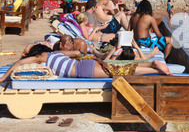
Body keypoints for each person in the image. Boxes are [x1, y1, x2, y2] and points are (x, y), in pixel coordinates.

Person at [0, 44, 172, 85]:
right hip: (86, 63)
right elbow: (76, 53)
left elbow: (18, 63)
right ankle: (152, 66)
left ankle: (155, 67)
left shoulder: (39, 58)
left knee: (120, 72)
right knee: (119, 69)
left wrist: (3, 79)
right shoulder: (54, 53)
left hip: (83, 70)